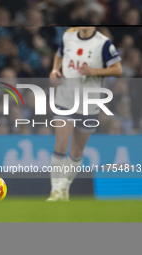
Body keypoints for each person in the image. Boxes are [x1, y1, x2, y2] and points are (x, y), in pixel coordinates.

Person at [47, 27, 122, 201]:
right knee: (60, 146)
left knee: (76, 151)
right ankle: (55, 191)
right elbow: (59, 54)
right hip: (64, 99)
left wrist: (95, 71)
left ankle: (64, 188)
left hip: (89, 103)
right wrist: (54, 69)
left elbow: (117, 69)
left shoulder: (103, 43)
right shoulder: (68, 36)